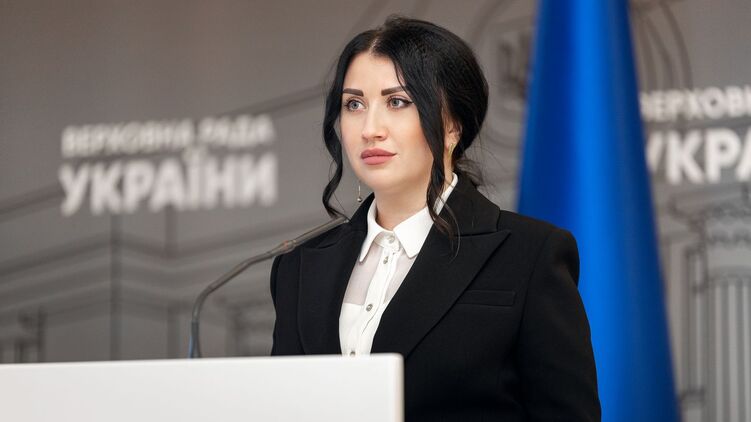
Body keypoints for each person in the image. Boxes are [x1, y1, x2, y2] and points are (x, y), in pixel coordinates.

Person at [270, 16, 600, 421]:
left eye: (397, 102)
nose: (370, 128)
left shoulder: (531, 255)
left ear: (453, 125)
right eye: (354, 104)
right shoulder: (299, 267)